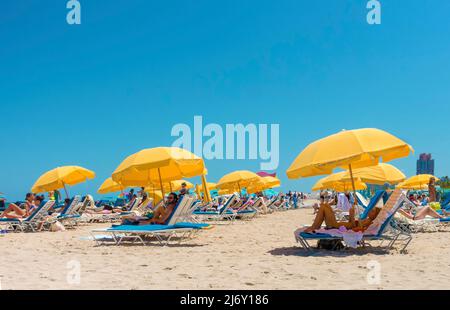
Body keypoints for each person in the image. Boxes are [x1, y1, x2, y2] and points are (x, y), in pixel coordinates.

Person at [304, 195, 381, 233]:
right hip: (337, 224)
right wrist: (352, 215)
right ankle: (315, 226)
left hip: (335, 225)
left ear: (376, 215)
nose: (370, 211)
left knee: (324, 205)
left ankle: (315, 226)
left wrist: (352, 216)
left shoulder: (370, 222)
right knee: (325, 205)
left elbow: (356, 228)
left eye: (373, 211)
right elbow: (353, 224)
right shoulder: (367, 220)